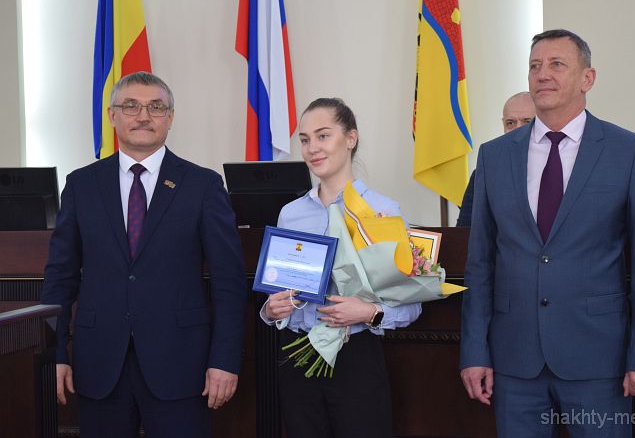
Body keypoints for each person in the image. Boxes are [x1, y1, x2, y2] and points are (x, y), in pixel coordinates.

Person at [459, 29, 635, 437]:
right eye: (535, 65)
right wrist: (474, 351)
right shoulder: (494, 155)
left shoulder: (627, 151)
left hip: (598, 358)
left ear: (587, 79)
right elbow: (480, 263)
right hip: (514, 360)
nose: (543, 74)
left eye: (557, 64)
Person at [40, 72, 248, 438]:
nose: (143, 116)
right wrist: (53, 354)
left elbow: (229, 284)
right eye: (131, 106)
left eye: (156, 107)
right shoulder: (81, 185)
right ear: (112, 115)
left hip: (183, 366)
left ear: (170, 117)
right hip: (99, 363)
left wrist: (225, 360)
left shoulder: (202, 185)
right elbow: (60, 278)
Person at [260, 98, 421, 438]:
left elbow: (411, 303)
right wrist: (271, 309)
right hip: (297, 356)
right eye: (304, 140)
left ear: (350, 138)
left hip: (356, 359)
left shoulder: (382, 211)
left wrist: (368, 312)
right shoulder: (290, 214)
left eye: (322, 136)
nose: (312, 149)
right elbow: (280, 290)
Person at [456, 92, 535, 226]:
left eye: (527, 122)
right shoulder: (485, 174)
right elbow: (465, 231)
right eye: (510, 123)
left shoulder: (559, 166)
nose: (518, 129)